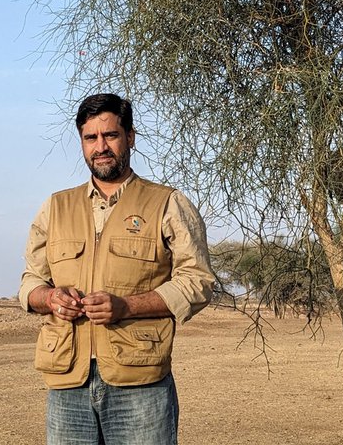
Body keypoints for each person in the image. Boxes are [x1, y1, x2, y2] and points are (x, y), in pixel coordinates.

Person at [19, 93, 215, 445]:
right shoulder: (55, 207)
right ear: (81, 142)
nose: (101, 147)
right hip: (67, 383)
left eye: (110, 135)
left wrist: (125, 306)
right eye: (90, 138)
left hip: (140, 382)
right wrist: (49, 297)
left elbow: (197, 281)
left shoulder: (167, 203)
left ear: (130, 138)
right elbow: (30, 281)